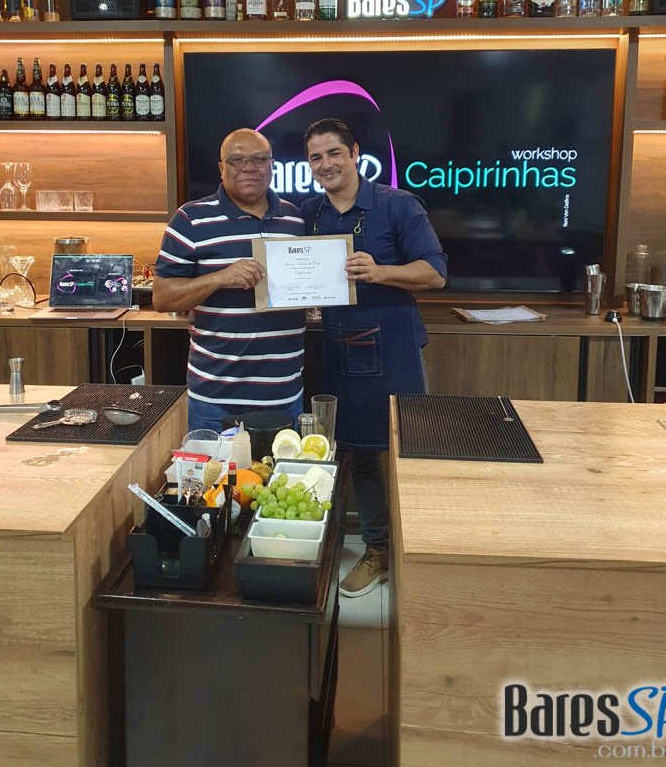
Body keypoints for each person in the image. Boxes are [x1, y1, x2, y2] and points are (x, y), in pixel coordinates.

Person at [301, 118, 447, 598]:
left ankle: (416, 552)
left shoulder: (398, 204)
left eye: (334, 153)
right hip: (337, 348)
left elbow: (436, 273)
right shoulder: (309, 213)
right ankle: (377, 549)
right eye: (316, 157)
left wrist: (381, 271)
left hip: (393, 349)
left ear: (355, 154)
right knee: (356, 454)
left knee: (403, 453)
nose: (326, 164)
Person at [153, 128, 306, 433]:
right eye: (237, 160)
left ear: (272, 165)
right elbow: (162, 298)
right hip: (215, 401)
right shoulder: (190, 219)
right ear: (222, 168)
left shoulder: (294, 220)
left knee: (283, 468)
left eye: (259, 159)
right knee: (213, 467)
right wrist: (220, 278)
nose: (249, 167)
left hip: (284, 396)